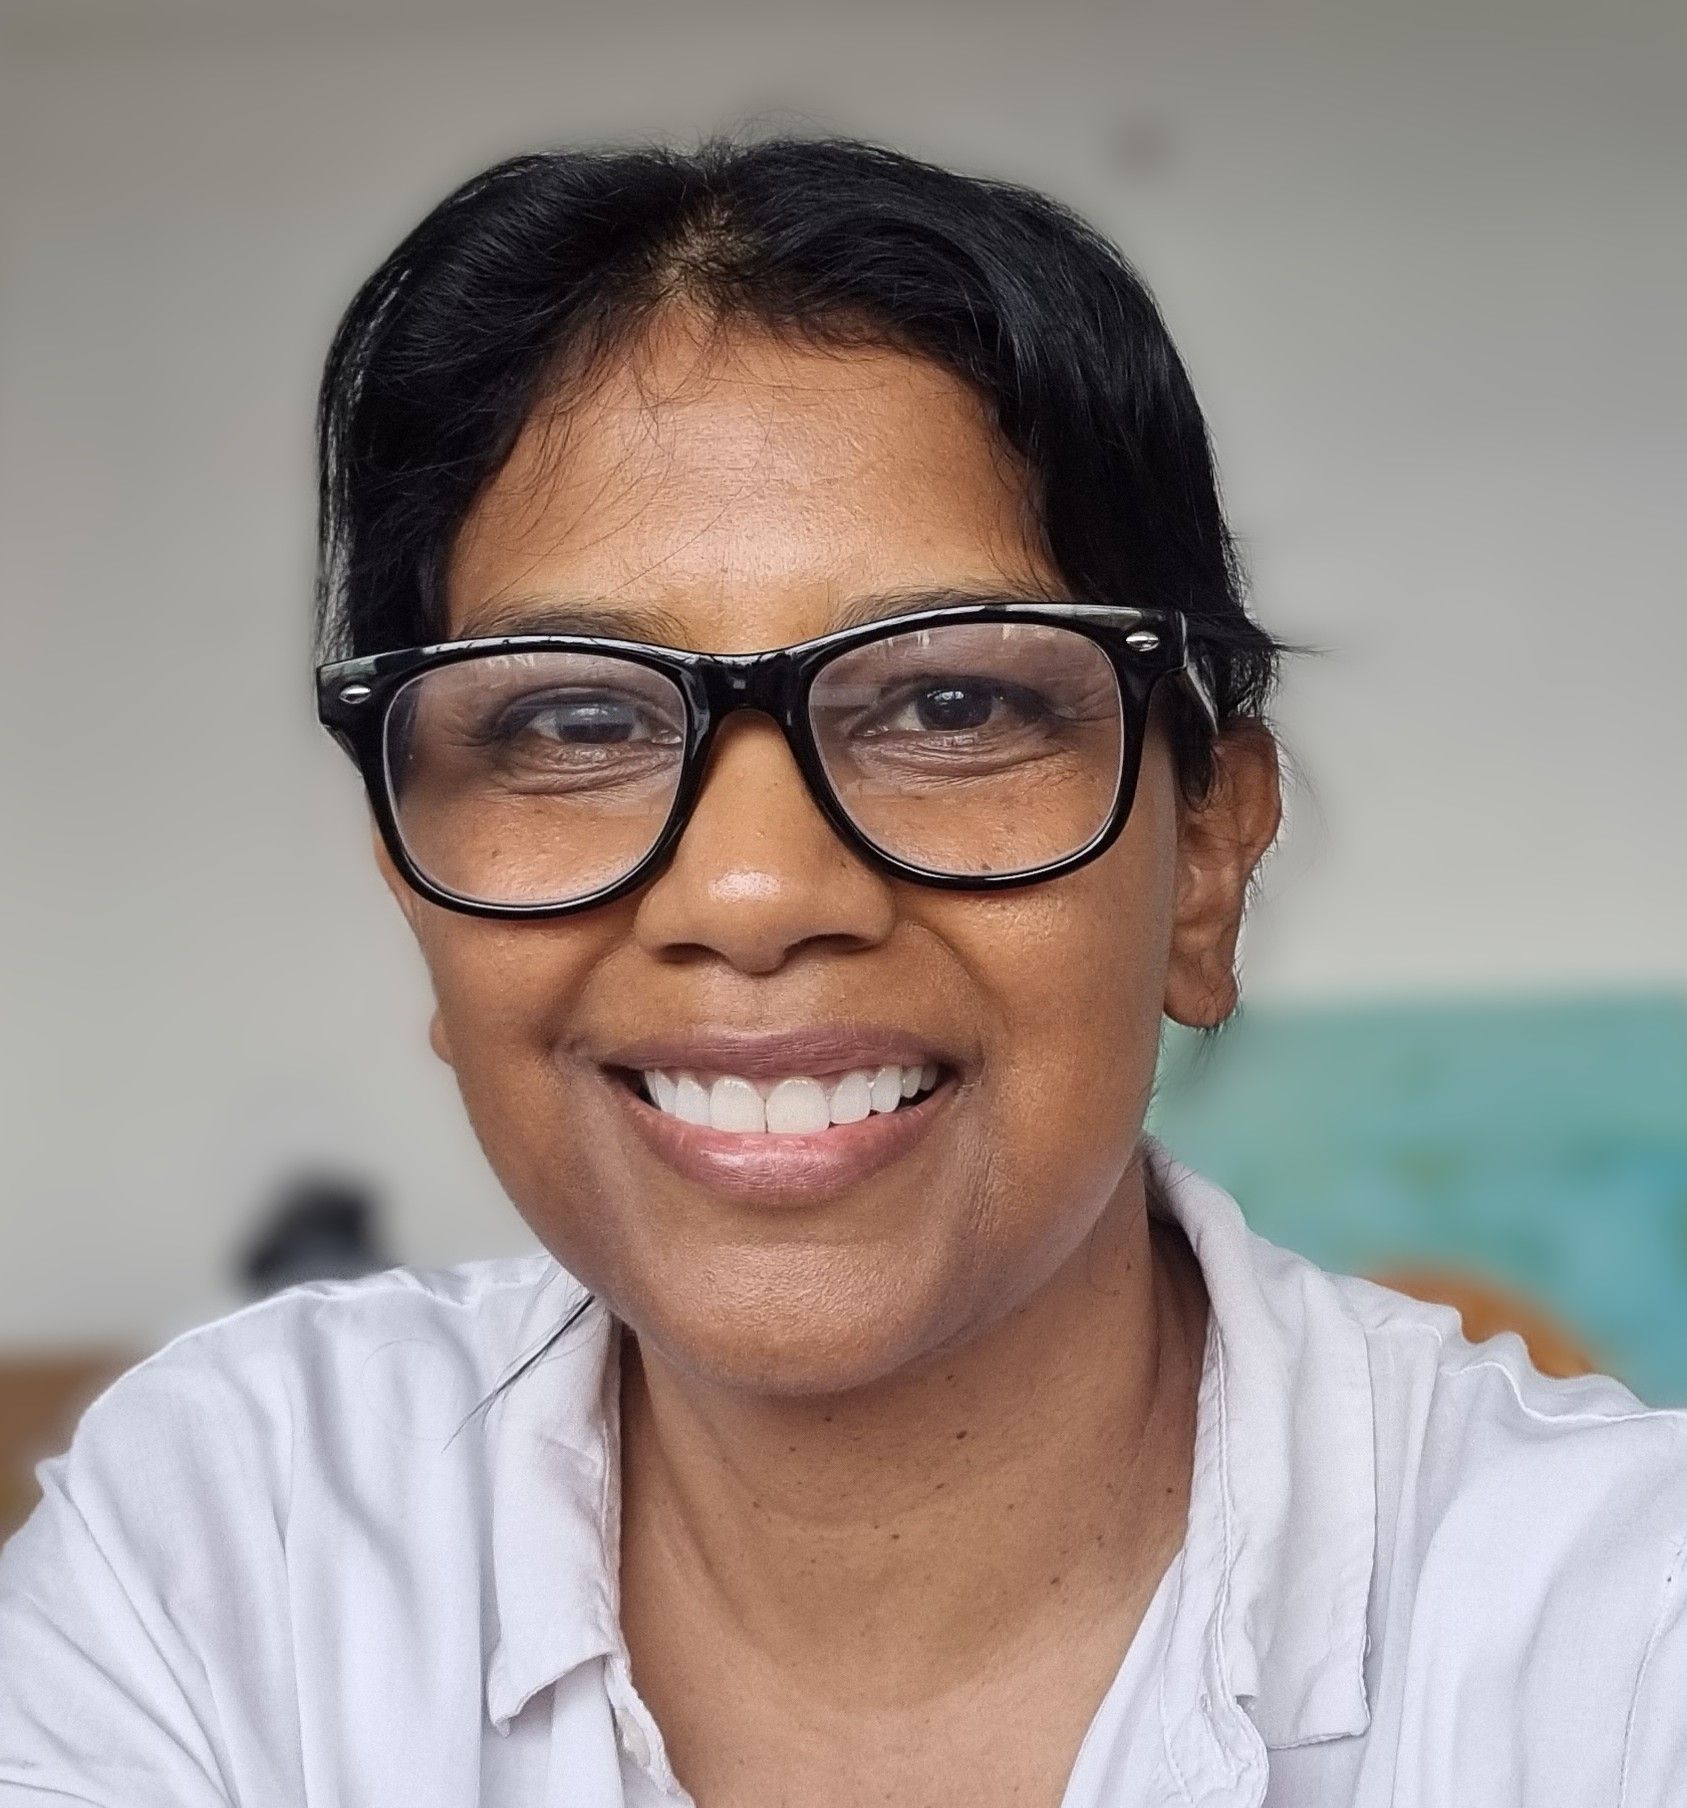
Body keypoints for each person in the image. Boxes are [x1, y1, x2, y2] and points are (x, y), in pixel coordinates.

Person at [1, 134, 1682, 1808]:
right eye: (572, 718)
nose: (749, 891)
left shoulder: (1619, 1641)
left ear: (1210, 858)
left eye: (953, 704)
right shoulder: (232, 1549)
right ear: (421, 904)